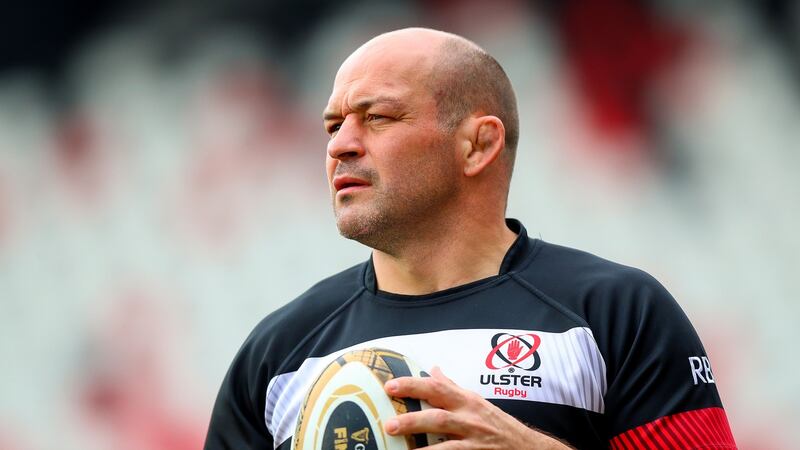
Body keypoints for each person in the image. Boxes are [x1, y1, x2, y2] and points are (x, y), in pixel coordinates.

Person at [204, 28, 737, 449]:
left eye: (378, 117)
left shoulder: (614, 312)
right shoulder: (280, 356)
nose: (340, 145)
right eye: (333, 126)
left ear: (478, 145)